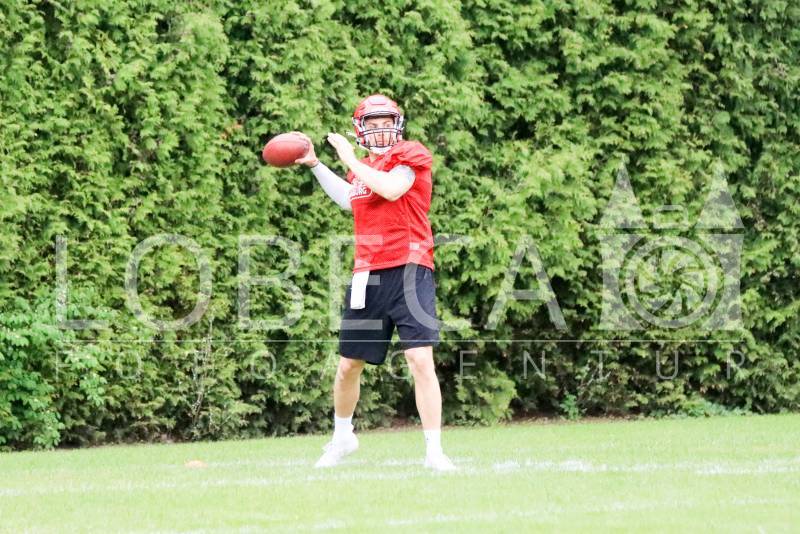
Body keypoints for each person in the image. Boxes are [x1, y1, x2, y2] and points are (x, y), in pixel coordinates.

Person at [293, 94, 456, 471]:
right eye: (373, 123)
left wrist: (349, 159)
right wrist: (317, 164)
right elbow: (349, 198)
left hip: (410, 266)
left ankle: (434, 451)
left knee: (420, 358)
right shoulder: (363, 170)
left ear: (398, 126)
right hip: (368, 272)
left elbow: (392, 188)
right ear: (360, 129)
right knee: (349, 365)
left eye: (386, 123)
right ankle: (342, 437)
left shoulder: (410, 155)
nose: (381, 130)